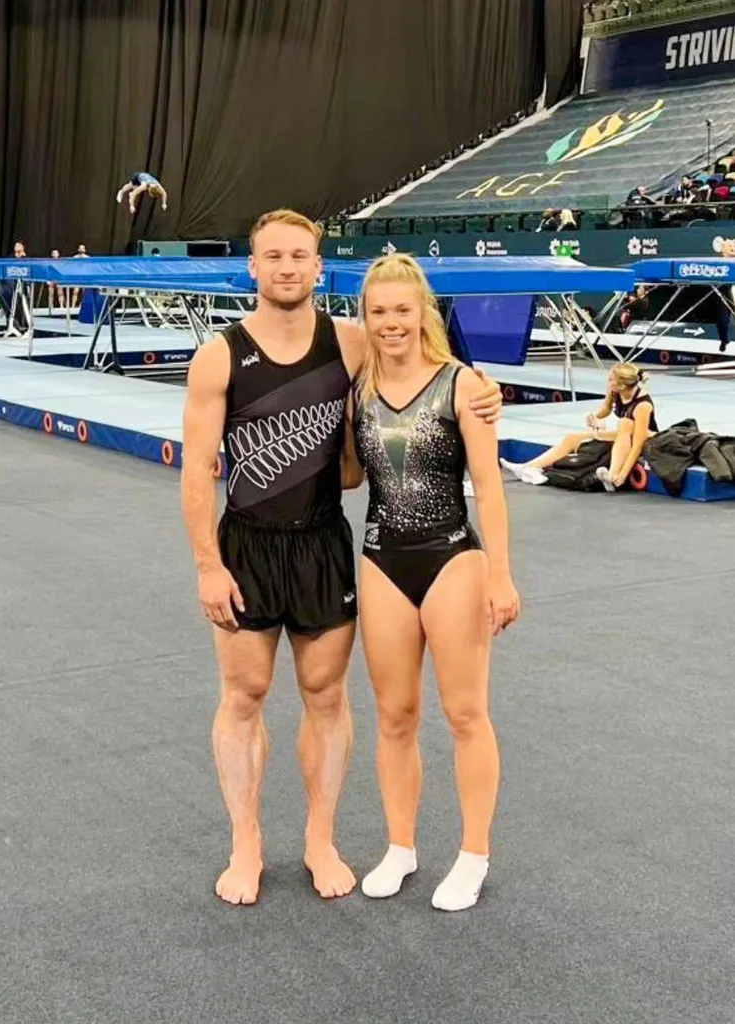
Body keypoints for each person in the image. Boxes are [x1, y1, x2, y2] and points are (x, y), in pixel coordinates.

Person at [179, 209, 504, 906]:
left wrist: (485, 393)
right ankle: (247, 842)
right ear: (254, 266)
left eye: (300, 255)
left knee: (327, 696)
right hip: (248, 544)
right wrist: (209, 565)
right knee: (244, 696)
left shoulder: (351, 343)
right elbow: (196, 468)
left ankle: (321, 838)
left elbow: (421, 362)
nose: (288, 267)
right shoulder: (220, 357)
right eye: (274, 256)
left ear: (319, 268)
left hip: (326, 543)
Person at [337, 254, 519, 911]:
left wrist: (500, 573)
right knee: (394, 715)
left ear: (424, 314)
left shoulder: (463, 385)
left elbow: (490, 488)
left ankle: (473, 853)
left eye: (402, 311)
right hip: (383, 555)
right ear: (366, 317)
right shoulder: (356, 385)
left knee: (465, 712)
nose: (390, 324)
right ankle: (401, 846)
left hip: (452, 557)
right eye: (378, 312)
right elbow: (353, 476)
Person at [500, 363, 658, 493]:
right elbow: (606, 409)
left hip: (646, 438)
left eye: (611, 380)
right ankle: (528, 466)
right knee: (572, 437)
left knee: (625, 423)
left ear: (622, 385)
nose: (608, 382)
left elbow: (638, 443)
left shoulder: (642, 405)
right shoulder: (615, 391)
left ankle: (614, 475)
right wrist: (594, 417)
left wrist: (624, 474)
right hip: (624, 434)